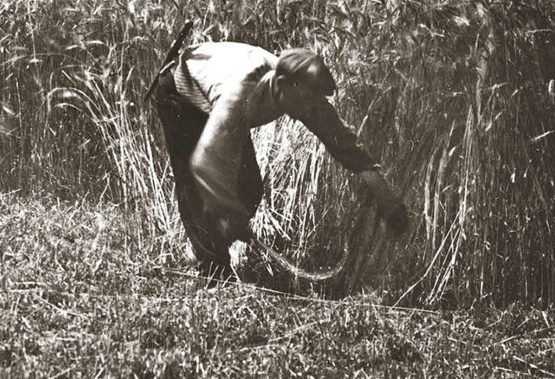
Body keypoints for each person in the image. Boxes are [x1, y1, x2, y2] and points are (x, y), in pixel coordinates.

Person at [150, 39, 410, 281]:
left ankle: (202, 250)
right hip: (180, 96)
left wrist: (386, 197)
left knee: (249, 189)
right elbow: (205, 163)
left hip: (214, 102)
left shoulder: (299, 91)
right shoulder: (240, 94)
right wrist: (229, 212)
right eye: (308, 100)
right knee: (197, 191)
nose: (311, 108)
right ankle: (213, 272)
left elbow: (342, 140)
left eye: (315, 100)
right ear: (283, 86)